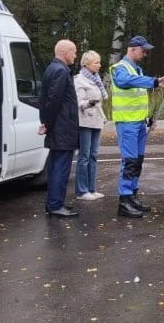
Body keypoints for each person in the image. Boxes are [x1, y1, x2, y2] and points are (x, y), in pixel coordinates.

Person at [111, 35, 164, 218]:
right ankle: (124, 200)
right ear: (133, 49)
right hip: (127, 123)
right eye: (143, 50)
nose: (145, 53)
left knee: (137, 161)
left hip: (139, 123)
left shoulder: (137, 69)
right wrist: (153, 82)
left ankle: (132, 196)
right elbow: (124, 82)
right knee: (129, 161)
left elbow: (139, 97)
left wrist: (149, 119)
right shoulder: (120, 68)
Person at [39, 39, 80, 217]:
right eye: (74, 52)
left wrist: (46, 122)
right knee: (60, 167)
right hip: (62, 127)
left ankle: (54, 203)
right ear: (65, 52)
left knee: (56, 166)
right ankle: (56, 205)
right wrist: (46, 123)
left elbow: (47, 99)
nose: (75, 55)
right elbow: (53, 101)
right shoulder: (61, 71)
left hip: (58, 126)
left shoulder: (52, 69)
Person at [73, 50, 108, 201]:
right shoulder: (79, 80)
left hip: (97, 121)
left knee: (94, 155)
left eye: (99, 62)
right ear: (87, 64)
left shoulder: (96, 79)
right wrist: (89, 103)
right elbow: (79, 102)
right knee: (84, 156)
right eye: (96, 63)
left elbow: (99, 102)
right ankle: (82, 191)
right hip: (85, 121)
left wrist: (103, 115)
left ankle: (92, 189)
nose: (99, 65)